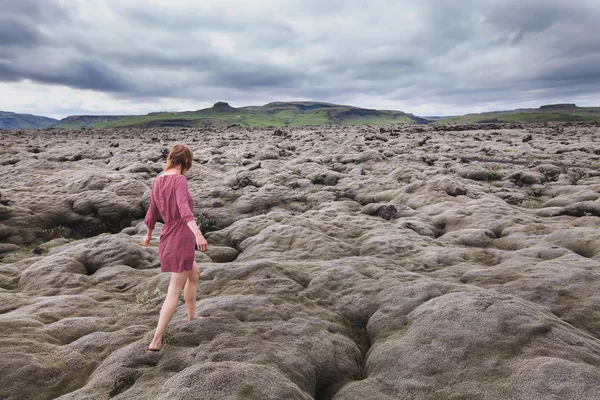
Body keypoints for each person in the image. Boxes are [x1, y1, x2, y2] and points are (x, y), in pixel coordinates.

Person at [141, 144, 208, 351]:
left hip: (168, 234)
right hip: (181, 234)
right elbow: (184, 209)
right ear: (186, 162)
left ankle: (192, 315)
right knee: (173, 290)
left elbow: (152, 211)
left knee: (194, 274)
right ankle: (156, 340)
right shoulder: (179, 179)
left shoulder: (158, 180)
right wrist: (198, 234)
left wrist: (149, 233)